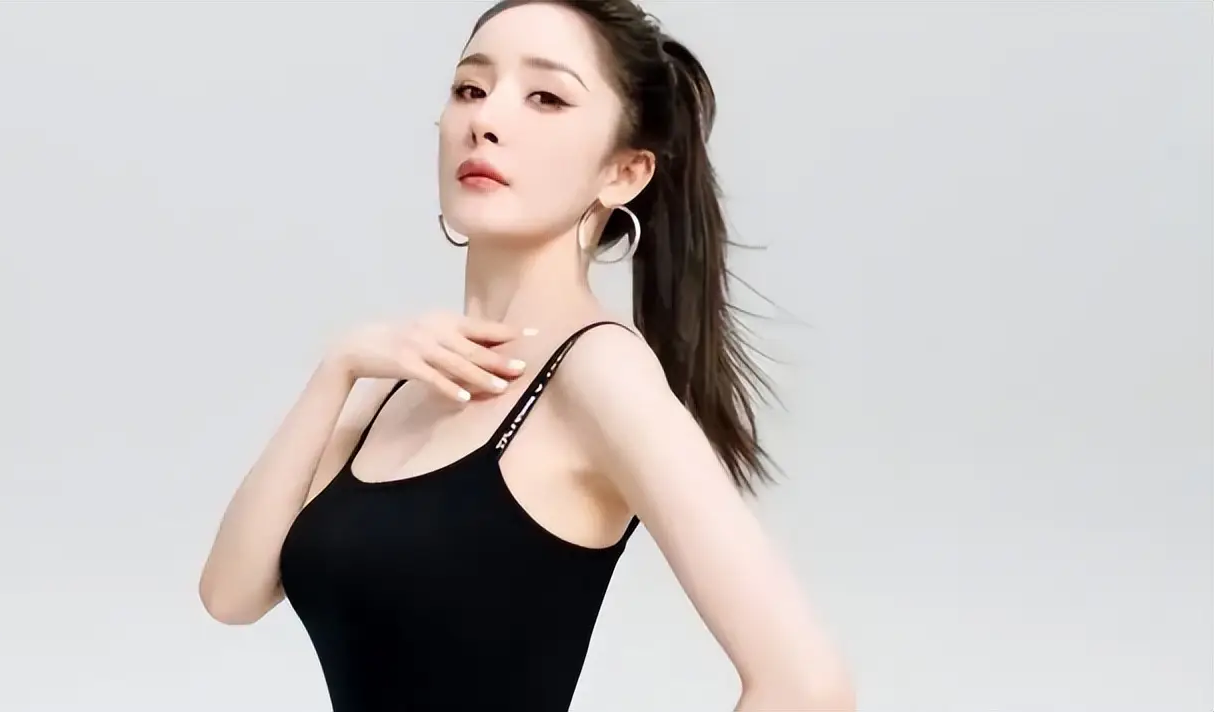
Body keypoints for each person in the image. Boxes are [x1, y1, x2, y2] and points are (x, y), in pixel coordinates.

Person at [198, 1, 854, 710]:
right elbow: (230, 594)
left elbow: (807, 687)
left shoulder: (599, 374)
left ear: (624, 173)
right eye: (470, 89)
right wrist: (339, 366)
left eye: (546, 97)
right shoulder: (396, 381)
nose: (486, 120)